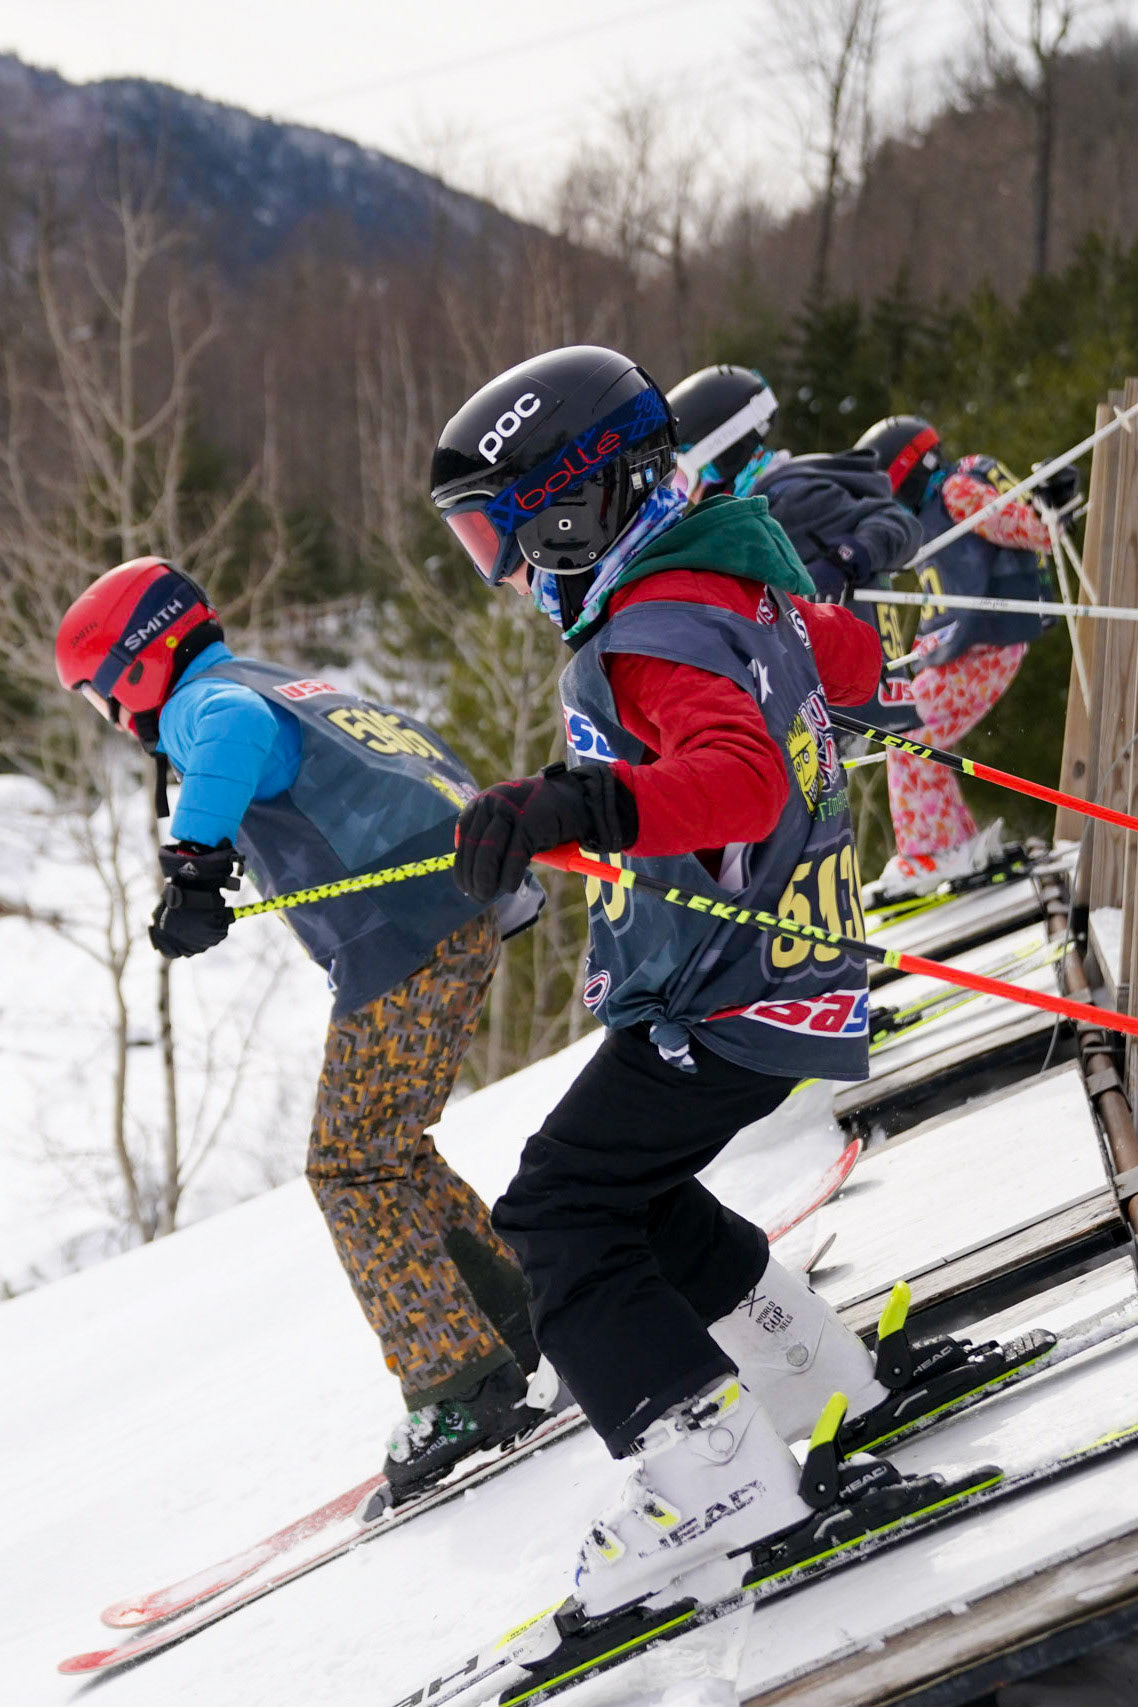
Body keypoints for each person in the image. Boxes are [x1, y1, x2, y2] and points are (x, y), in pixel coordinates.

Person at [428, 345, 1020, 1621]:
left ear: (578, 505)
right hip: (784, 975)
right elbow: (845, 659)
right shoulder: (733, 577)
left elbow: (738, 780)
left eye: (502, 539)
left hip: (721, 988)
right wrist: (813, 696)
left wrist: (585, 797)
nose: (510, 574)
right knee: (624, 1192)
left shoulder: (648, 634)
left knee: (557, 1212)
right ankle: (818, 1387)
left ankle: (712, 1479)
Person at [54, 558, 550, 1501]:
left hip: (404, 927)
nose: (116, 723)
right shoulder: (281, 679)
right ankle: (520, 1313)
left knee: (349, 1166)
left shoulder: (212, 701)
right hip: (447, 911)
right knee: (387, 1150)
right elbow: (412, 759)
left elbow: (231, 739)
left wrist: (195, 863)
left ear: (137, 666)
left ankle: (460, 1385)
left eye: (102, 699)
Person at [852, 416, 1076, 899]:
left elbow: (1033, 531)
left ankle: (932, 851)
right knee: (912, 734)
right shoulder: (931, 507)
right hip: (964, 646)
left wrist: (1051, 508)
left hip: (985, 645)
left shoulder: (956, 492)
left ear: (904, 472)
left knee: (910, 733)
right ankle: (951, 845)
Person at [668, 363, 924, 733]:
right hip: (822, 694)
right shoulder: (748, 509)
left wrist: (847, 558)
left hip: (841, 696)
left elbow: (899, 523)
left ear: (721, 452)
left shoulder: (789, 497)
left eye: (684, 477)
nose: (684, 495)